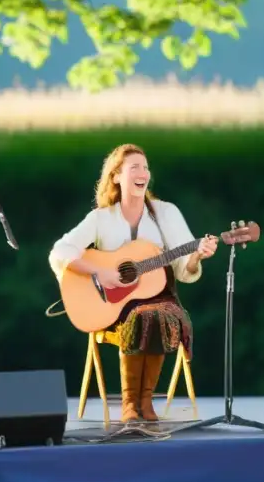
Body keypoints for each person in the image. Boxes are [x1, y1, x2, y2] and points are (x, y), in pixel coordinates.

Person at [49, 143, 217, 423]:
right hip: (116, 306)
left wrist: (197, 256)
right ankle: (129, 403)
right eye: (134, 167)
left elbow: (184, 268)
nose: (143, 173)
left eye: (146, 167)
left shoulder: (166, 213)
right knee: (142, 317)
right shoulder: (101, 218)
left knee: (159, 316)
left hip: (160, 297)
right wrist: (98, 273)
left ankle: (145, 401)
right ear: (116, 176)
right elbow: (61, 251)